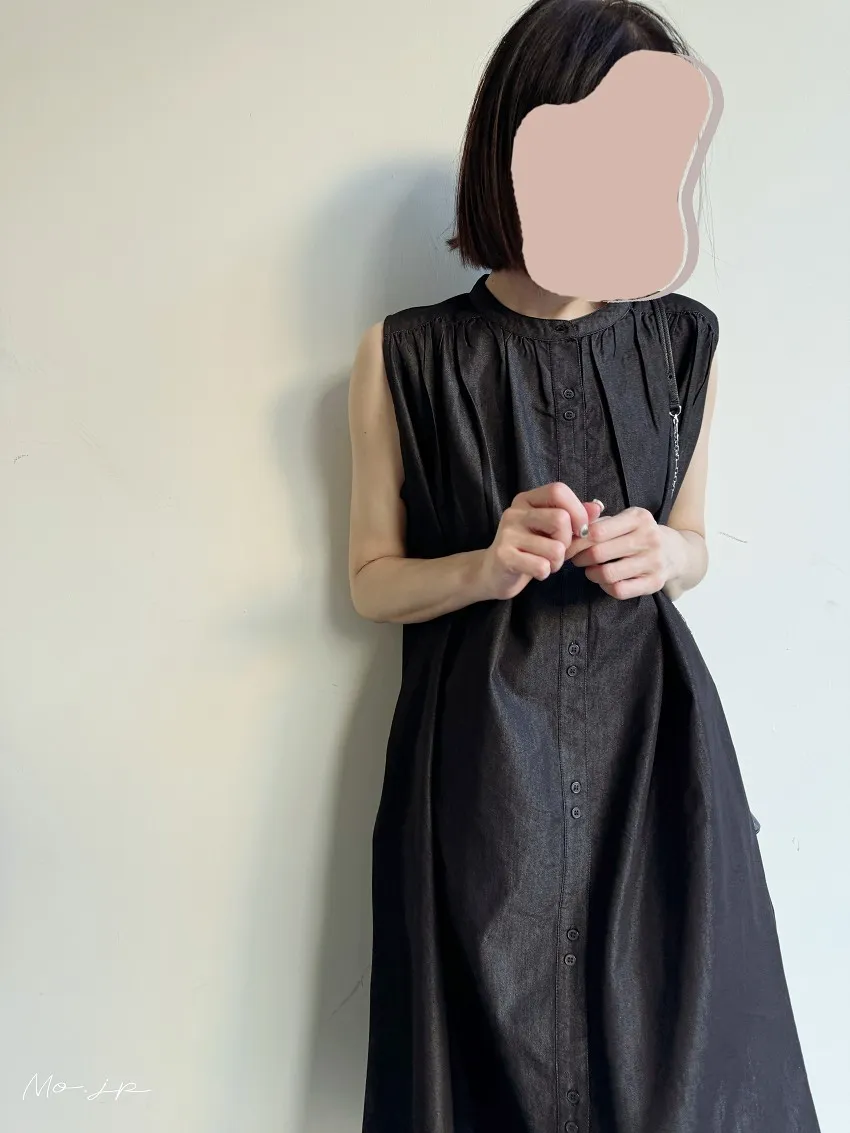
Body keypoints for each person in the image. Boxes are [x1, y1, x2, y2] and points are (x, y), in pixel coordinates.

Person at [347, 2, 822, 1130]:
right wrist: (484, 562)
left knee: (679, 1068)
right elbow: (371, 579)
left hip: (654, 751)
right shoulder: (407, 352)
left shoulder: (684, 339)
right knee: (491, 1072)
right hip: (481, 762)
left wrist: (663, 550)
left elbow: (694, 542)